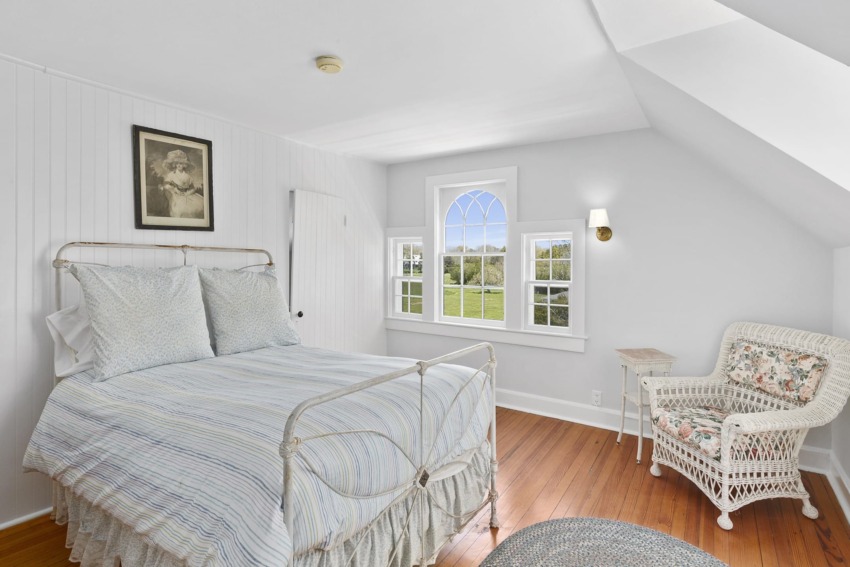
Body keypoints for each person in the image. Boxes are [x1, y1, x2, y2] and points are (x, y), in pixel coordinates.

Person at [160, 149, 204, 218]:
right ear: (174, 164)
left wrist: (188, 193)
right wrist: (174, 189)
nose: (179, 165)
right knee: (180, 209)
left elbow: (192, 187)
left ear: (184, 165)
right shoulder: (171, 174)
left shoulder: (188, 176)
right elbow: (166, 185)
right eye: (177, 163)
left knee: (198, 206)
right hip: (176, 195)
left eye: (181, 163)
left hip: (188, 195)